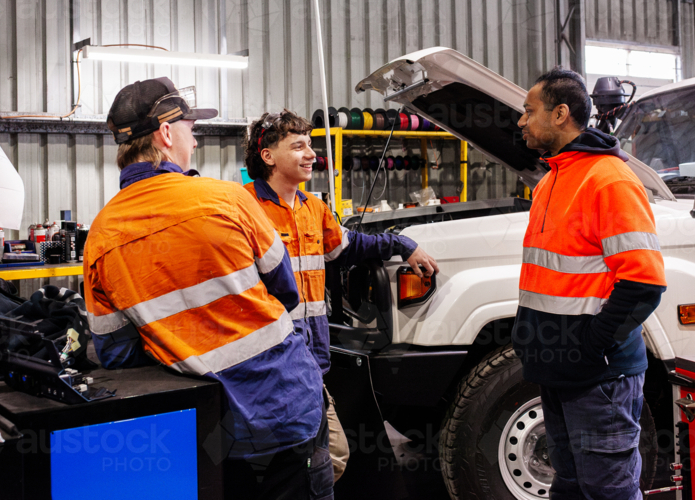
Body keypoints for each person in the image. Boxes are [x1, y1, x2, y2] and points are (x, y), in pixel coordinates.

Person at [83, 79, 333, 500]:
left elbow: (116, 353)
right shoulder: (226, 198)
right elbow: (287, 294)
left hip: (208, 431)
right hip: (286, 409)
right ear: (165, 134)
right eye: (189, 127)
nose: (194, 140)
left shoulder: (100, 237)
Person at [242, 110, 439, 481]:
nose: (311, 153)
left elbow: (348, 247)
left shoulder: (313, 209)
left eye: (311, 145)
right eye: (298, 145)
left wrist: (401, 244)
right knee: (311, 458)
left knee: (321, 457)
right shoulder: (244, 207)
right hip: (268, 358)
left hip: (312, 358)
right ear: (267, 155)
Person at [513, 68, 667, 500]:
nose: (521, 121)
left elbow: (644, 283)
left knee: (608, 491)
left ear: (560, 114)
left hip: (598, 376)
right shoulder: (549, 182)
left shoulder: (609, 180)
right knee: (571, 486)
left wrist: (592, 344)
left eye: (529, 111)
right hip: (558, 368)